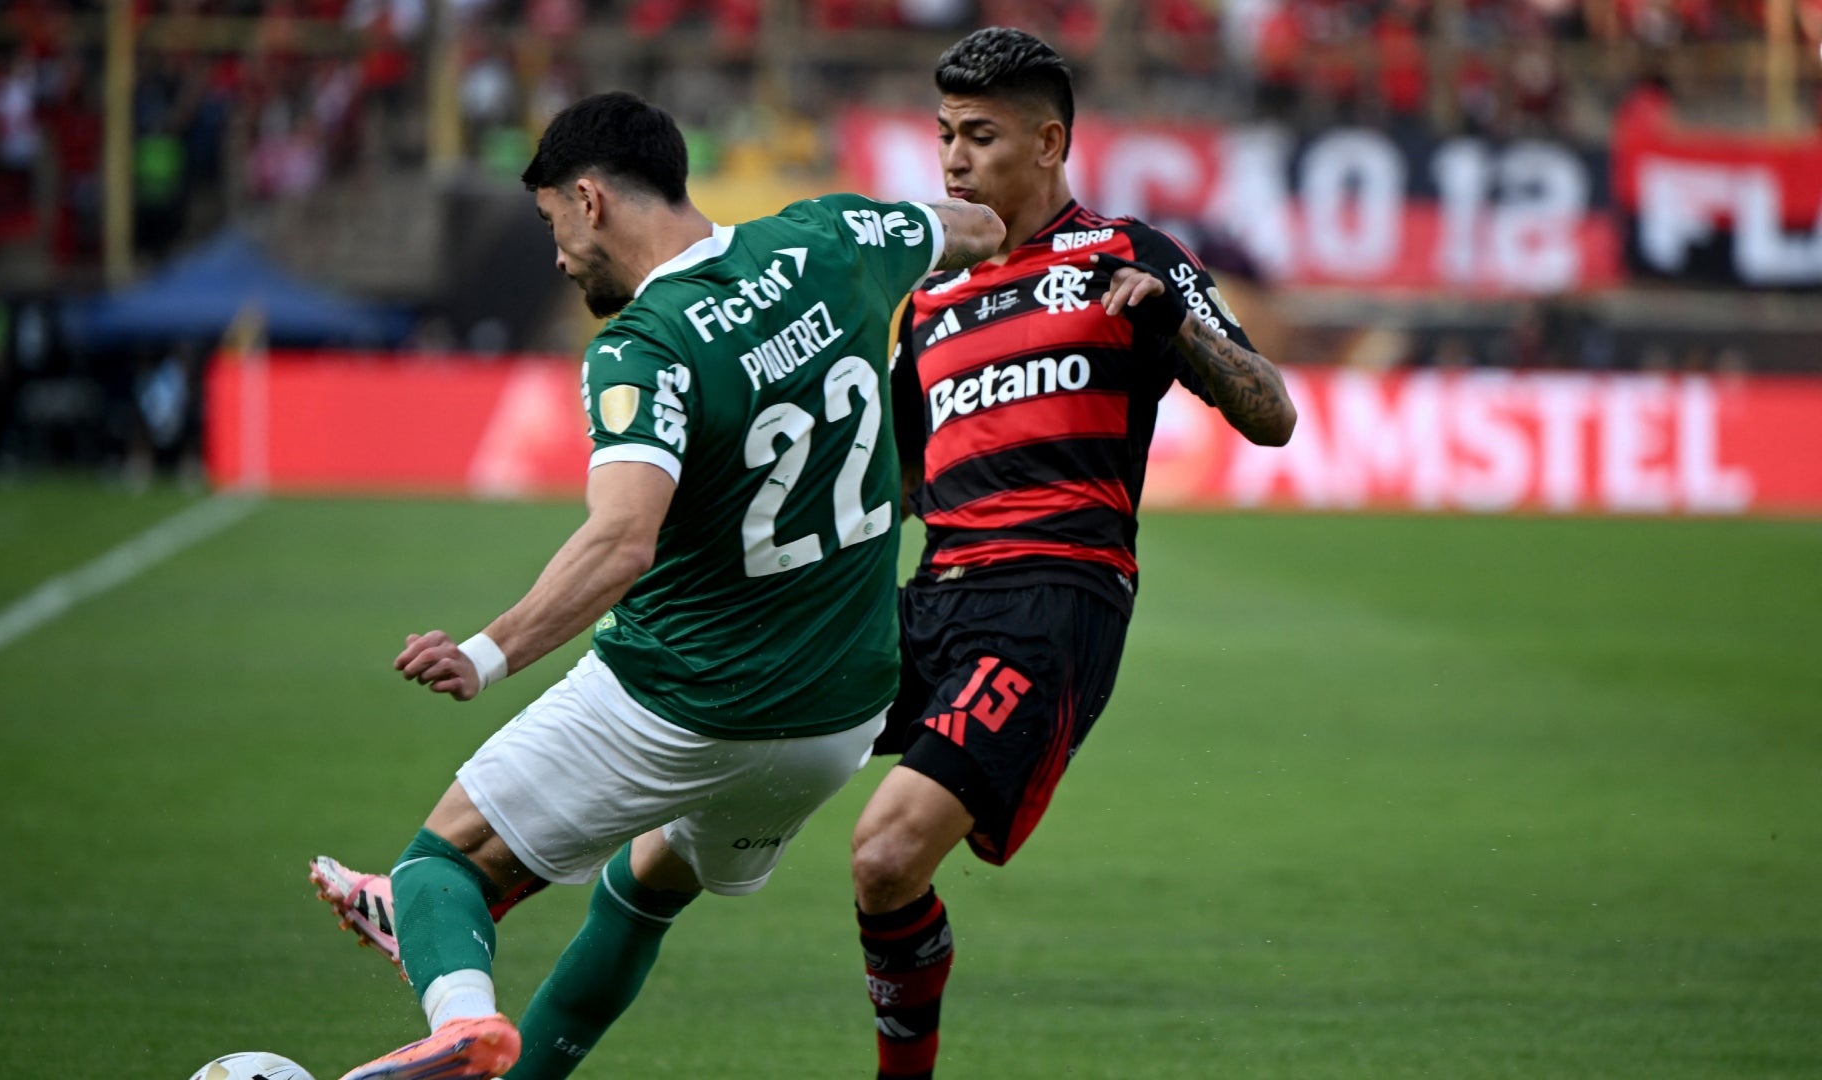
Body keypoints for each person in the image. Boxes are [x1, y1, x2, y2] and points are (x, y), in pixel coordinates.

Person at [317, 90, 1004, 1080]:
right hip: (836, 722)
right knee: (650, 877)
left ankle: (460, 1014)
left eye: (553, 222)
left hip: (687, 700)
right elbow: (977, 227)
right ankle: (472, 999)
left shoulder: (647, 347)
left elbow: (620, 543)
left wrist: (484, 651)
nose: (557, 256)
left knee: (444, 859)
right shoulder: (828, 237)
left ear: (589, 200)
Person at [850, 28, 1297, 1080]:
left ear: (1049, 142)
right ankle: (471, 906)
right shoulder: (928, 297)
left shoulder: (1126, 255)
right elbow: (899, 488)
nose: (954, 160)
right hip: (928, 602)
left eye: (982, 136)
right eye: (945, 135)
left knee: (884, 853)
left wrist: (1176, 336)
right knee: (706, 771)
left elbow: (1272, 415)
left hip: (1049, 602)